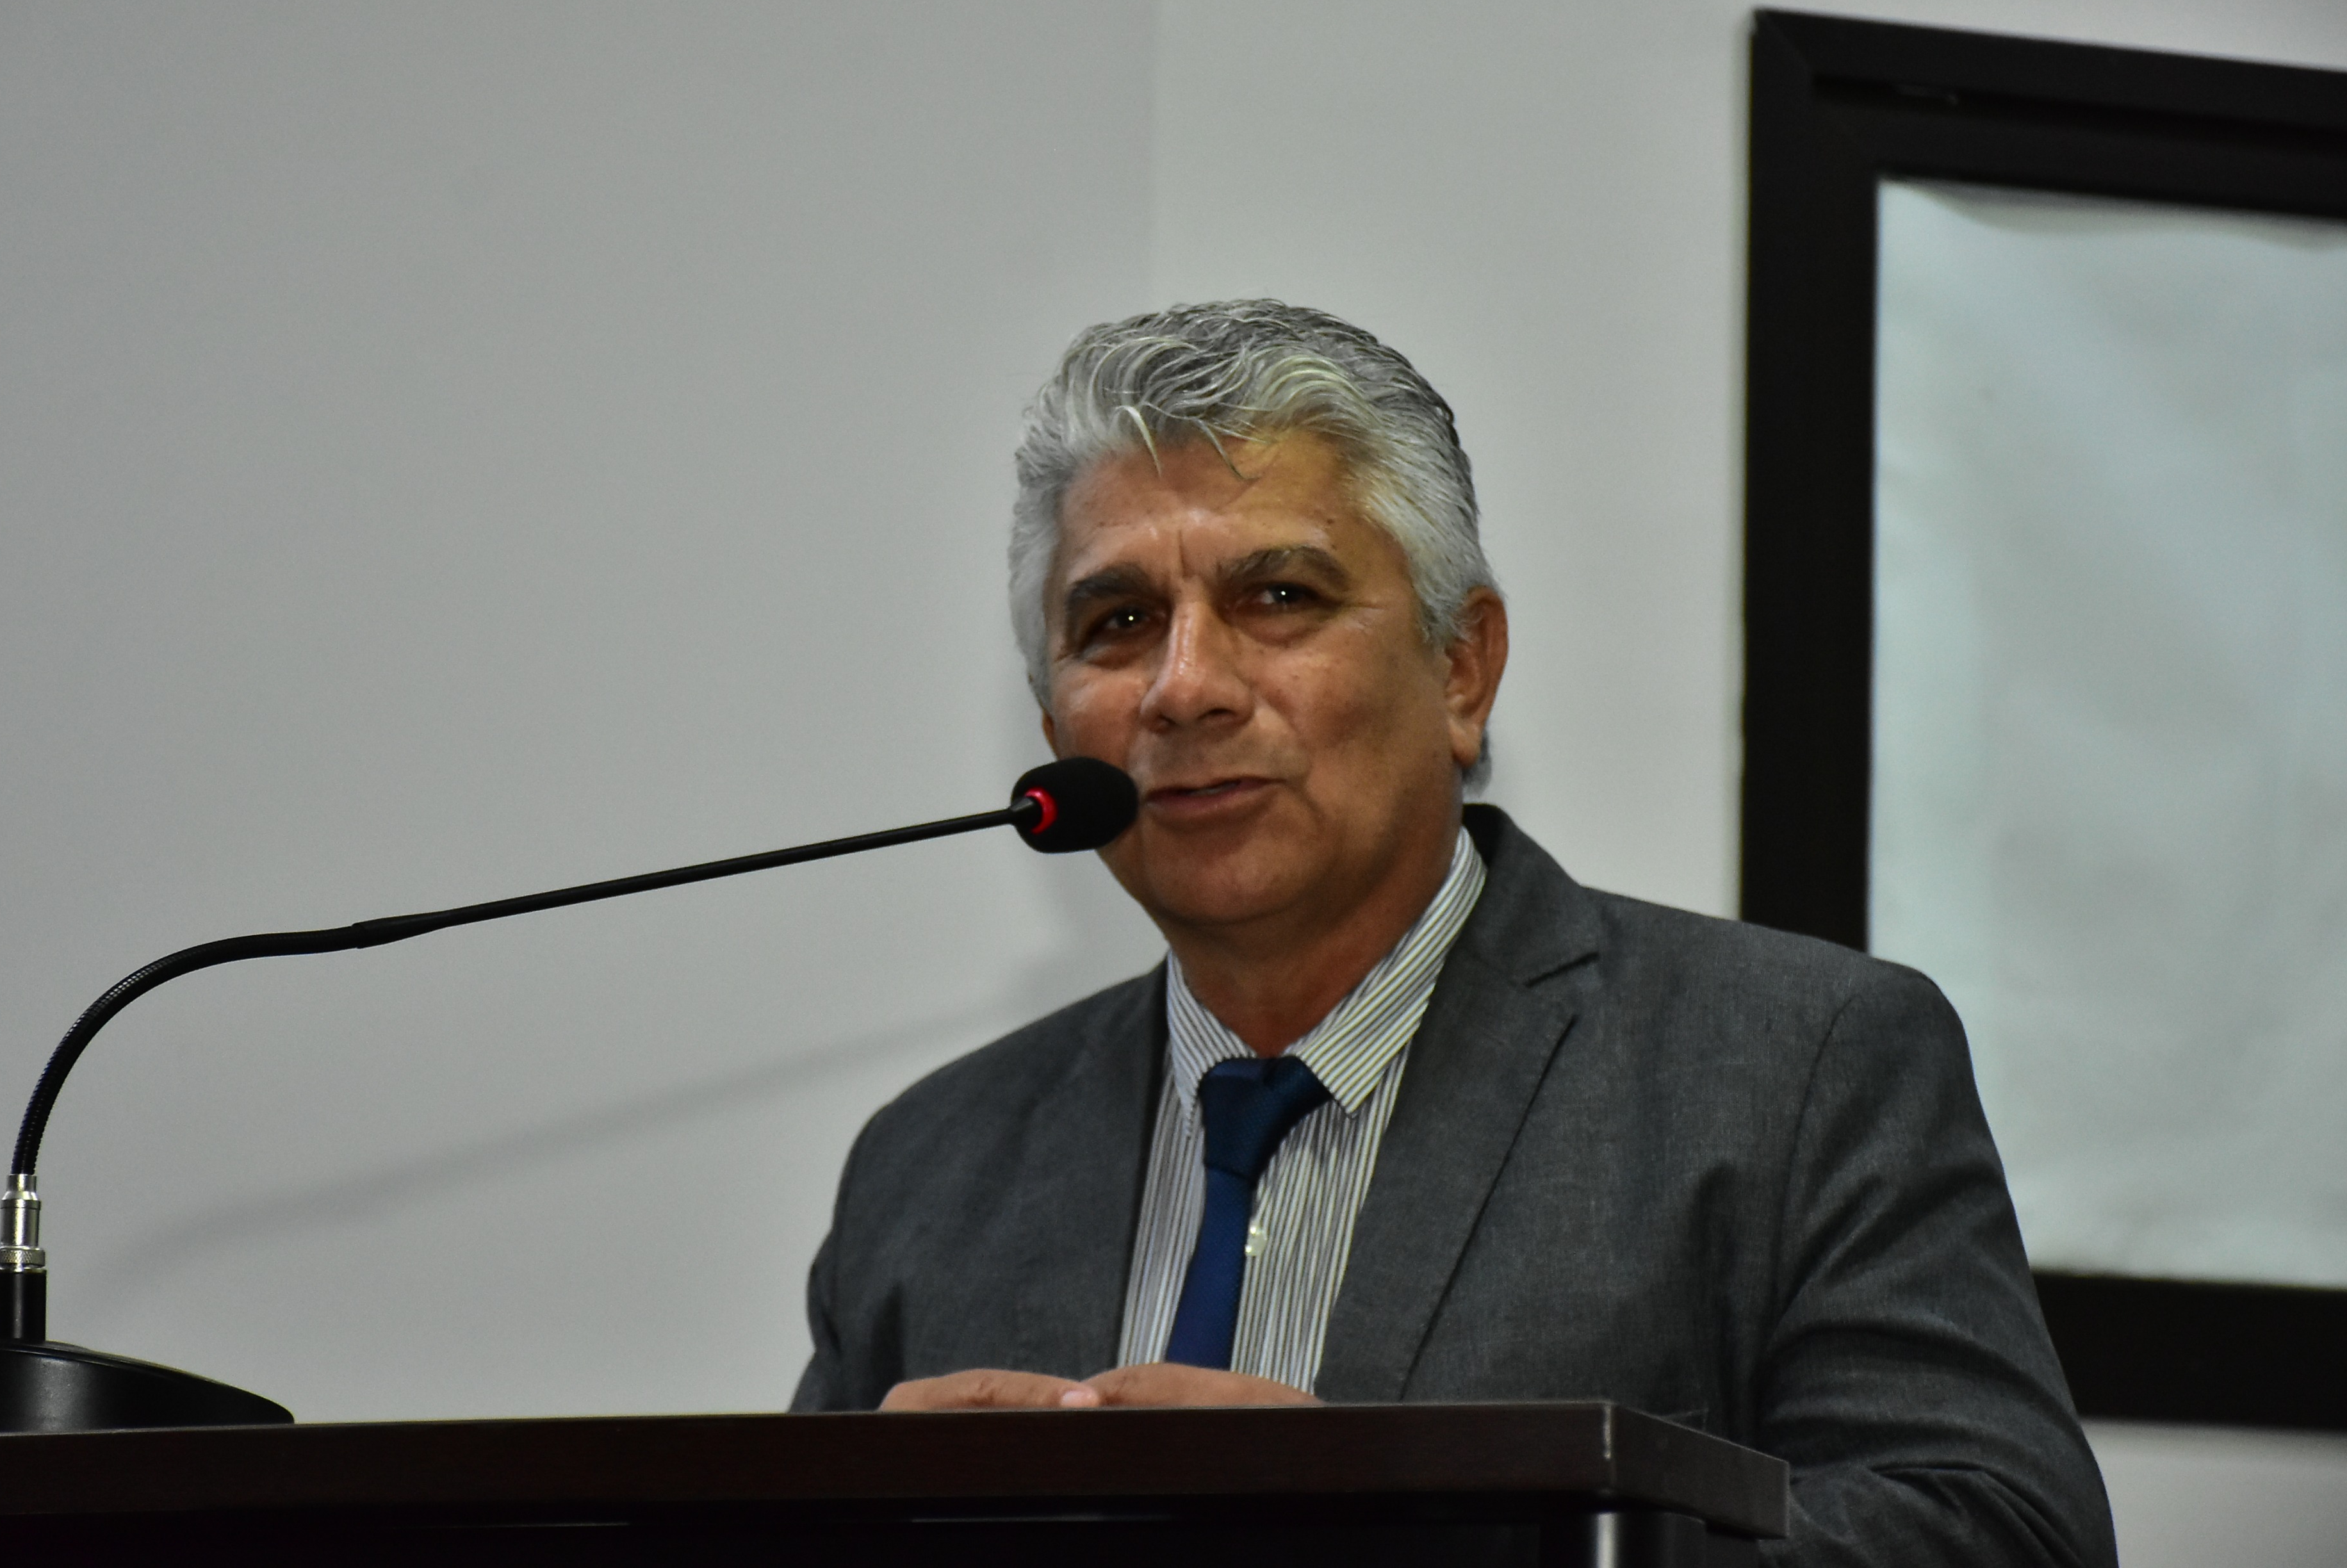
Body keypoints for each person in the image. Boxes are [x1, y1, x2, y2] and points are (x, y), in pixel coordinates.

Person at [790, 300, 2116, 1565]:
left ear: (1461, 669)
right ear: (1054, 729)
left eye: (1279, 596)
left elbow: (2002, 1536)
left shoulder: (1795, 1068)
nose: (1185, 687)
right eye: (1119, 623)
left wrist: (1402, 1535)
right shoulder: (929, 1167)